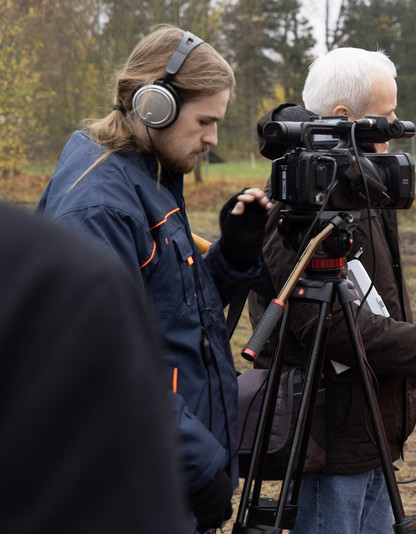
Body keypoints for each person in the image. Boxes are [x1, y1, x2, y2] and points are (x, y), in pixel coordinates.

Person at [37, 25, 273, 533]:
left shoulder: (149, 178)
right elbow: (96, 366)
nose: (212, 139)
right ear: (154, 106)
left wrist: (234, 254)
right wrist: (193, 461)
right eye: (205, 121)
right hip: (131, 484)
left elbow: (170, 313)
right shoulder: (98, 208)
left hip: (160, 469)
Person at [248, 47, 416, 533]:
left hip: (373, 424)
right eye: (386, 115)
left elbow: (378, 302)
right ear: (342, 118)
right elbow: (320, 322)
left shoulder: (360, 187)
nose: (396, 126)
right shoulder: (297, 208)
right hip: (331, 434)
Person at [0, 202, 186, 533]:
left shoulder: (155, 190)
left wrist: (230, 259)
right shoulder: (93, 218)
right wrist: (200, 461)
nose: (212, 145)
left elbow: (179, 312)